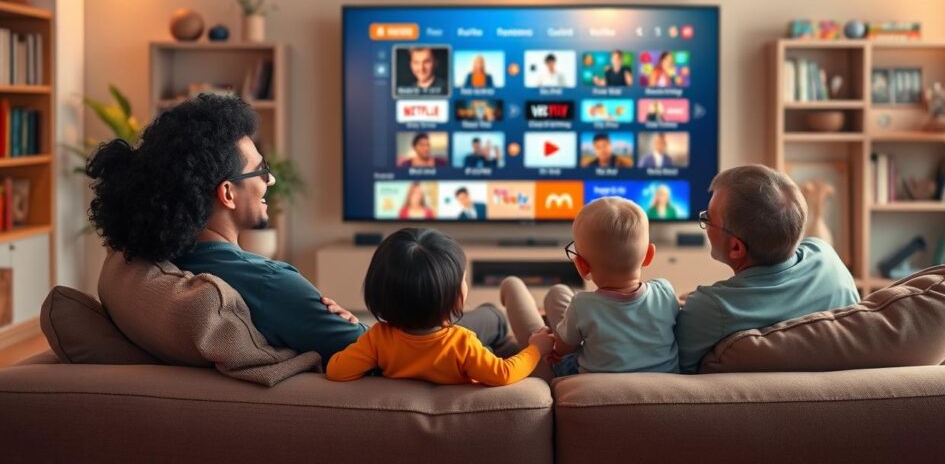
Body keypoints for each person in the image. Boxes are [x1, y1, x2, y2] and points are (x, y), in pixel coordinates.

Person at [85, 95, 510, 368]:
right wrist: (362, 330)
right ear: (228, 193)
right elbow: (388, 356)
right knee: (495, 317)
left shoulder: (161, 261)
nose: (270, 180)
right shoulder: (271, 283)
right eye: (260, 170)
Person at [675, 165, 860, 373]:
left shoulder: (711, 308)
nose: (706, 225)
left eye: (707, 219)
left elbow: (678, 370)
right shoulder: (826, 257)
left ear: (736, 247)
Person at [326, 228, 554, 385]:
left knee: (499, 331)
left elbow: (336, 370)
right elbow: (504, 373)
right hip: (493, 346)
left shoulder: (377, 339)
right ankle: (518, 318)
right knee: (494, 314)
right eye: (463, 279)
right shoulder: (463, 343)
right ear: (457, 297)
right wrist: (537, 348)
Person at [499, 197, 679, 379]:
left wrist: (545, 344)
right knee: (558, 292)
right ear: (649, 255)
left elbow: (562, 349)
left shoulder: (583, 305)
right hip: (660, 378)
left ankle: (510, 288)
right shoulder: (665, 291)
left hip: (584, 376)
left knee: (513, 286)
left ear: (582, 266)